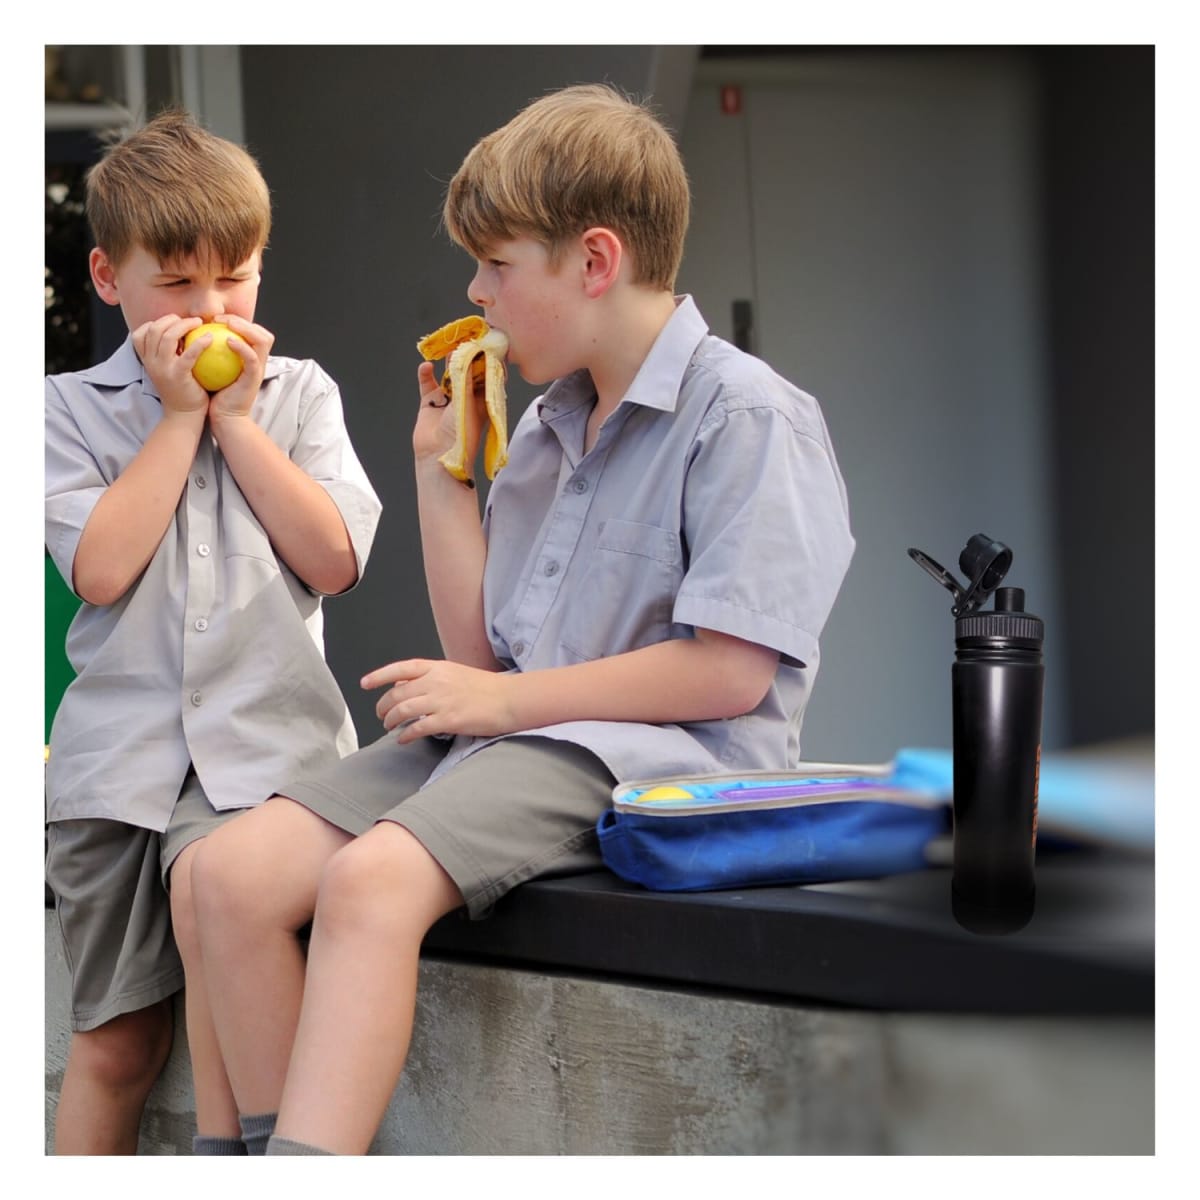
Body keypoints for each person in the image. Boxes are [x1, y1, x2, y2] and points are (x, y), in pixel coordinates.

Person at [190, 82, 855, 1155]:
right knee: (224, 876)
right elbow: (483, 656)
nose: (476, 291)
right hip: (520, 736)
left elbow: (730, 674)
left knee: (370, 882)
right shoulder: (544, 423)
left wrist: (503, 703)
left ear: (594, 262)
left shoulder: (749, 417)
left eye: (497, 264)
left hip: (655, 758)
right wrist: (439, 473)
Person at [44, 109, 381, 1155]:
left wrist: (234, 420)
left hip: (269, 757)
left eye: (234, 278)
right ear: (108, 278)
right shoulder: (64, 411)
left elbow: (334, 558)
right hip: (116, 773)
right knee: (116, 1044)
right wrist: (180, 415)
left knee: (225, 964)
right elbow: (101, 568)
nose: (210, 309)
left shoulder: (301, 397)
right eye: (178, 282)